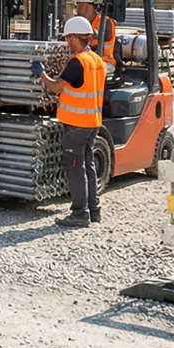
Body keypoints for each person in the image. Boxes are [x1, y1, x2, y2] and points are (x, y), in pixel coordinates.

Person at [39, 15, 107, 227]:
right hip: (92, 123)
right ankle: (94, 210)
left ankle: (79, 214)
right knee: (88, 166)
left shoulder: (77, 63)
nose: (67, 42)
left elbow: (55, 87)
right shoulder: (97, 61)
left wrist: (41, 73)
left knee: (76, 168)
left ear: (77, 37)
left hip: (77, 125)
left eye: (69, 38)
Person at [73, 0, 117, 71]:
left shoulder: (105, 21)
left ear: (87, 5)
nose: (76, 8)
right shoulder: (79, 23)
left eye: (78, 4)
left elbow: (98, 37)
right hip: (86, 61)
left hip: (105, 63)